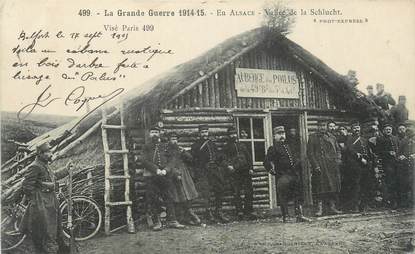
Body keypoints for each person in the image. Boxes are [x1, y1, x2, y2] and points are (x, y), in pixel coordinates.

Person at [19, 142, 71, 254]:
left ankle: (56, 249)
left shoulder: (45, 165)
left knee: (55, 228)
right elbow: (27, 186)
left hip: (51, 201)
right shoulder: (35, 166)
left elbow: (54, 176)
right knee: (45, 231)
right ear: (40, 153)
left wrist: (66, 170)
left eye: (50, 151)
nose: (51, 154)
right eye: (48, 152)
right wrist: (37, 199)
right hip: (41, 203)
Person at [140, 126, 185, 230]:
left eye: (156, 132)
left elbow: (172, 159)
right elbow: (143, 160)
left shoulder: (165, 146)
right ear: (149, 134)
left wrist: (166, 170)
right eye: (152, 132)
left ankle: (172, 221)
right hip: (152, 176)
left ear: (159, 133)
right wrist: (156, 169)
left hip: (165, 175)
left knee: (169, 196)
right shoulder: (146, 146)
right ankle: (157, 222)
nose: (154, 134)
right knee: (153, 198)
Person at [264, 126, 311, 223]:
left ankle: (299, 215)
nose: (282, 136)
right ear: (274, 136)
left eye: (283, 134)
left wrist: (297, 164)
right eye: (279, 134)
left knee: (297, 195)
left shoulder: (288, 147)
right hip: (283, 175)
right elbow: (266, 162)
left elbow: (294, 159)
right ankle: (286, 217)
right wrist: (272, 171)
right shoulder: (273, 148)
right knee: (283, 196)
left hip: (293, 174)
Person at [191, 124, 229, 223]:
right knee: (206, 192)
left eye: (206, 132)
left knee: (219, 188)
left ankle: (218, 211)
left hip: (214, 170)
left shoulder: (212, 144)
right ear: (199, 133)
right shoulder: (196, 145)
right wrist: (199, 171)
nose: (205, 134)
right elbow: (194, 160)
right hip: (203, 171)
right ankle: (208, 213)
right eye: (203, 132)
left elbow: (217, 156)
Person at [165, 132, 201, 225]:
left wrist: (184, 152)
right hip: (174, 174)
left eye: (176, 139)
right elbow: (168, 164)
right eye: (173, 139)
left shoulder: (179, 149)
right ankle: (181, 217)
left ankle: (188, 216)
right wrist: (176, 173)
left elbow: (190, 159)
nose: (175, 141)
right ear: (169, 140)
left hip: (185, 173)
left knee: (188, 194)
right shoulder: (167, 151)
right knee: (178, 196)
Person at [307, 120, 342, 216]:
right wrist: (315, 165)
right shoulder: (313, 137)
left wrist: (338, 159)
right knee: (319, 187)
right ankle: (319, 209)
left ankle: (332, 207)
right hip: (320, 166)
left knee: (332, 186)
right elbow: (310, 153)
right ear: (317, 127)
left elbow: (338, 149)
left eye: (324, 125)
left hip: (331, 166)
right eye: (320, 126)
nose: (322, 127)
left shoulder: (332, 137)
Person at [223, 127, 256, 220]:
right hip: (235, 173)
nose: (233, 136)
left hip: (245, 171)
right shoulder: (226, 147)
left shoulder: (242, 145)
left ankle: (248, 211)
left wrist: (251, 168)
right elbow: (223, 159)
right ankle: (239, 212)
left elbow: (249, 157)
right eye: (231, 134)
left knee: (249, 191)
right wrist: (228, 166)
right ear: (228, 136)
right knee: (236, 192)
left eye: (234, 134)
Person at [342, 121, 374, 213]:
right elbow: (350, 150)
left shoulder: (364, 139)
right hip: (355, 165)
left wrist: (369, 161)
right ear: (352, 130)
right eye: (355, 128)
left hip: (365, 165)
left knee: (365, 185)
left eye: (358, 128)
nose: (356, 129)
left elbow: (368, 151)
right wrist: (360, 158)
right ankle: (355, 206)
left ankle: (364, 205)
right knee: (356, 186)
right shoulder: (349, 139)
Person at [376, 123, 400, 209]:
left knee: (396, 181)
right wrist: (388, 153)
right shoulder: (381, 139)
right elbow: (378, 151)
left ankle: (397, 201)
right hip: (387, 163)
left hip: (396, 163)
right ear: (383, 131)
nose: (388, 131)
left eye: (390, 129)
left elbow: (399, 148)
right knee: (389, 182)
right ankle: (390, 201)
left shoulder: (395, 138)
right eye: (386, 129)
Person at [397, 129, 415, 207]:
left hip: (413, 165)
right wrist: (401, 156)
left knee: (412, 184)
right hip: (404, 165)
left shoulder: (413, 142)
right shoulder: (403, 142)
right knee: (404, 183)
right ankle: (404, 202)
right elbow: (398, 154)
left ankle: (412, 201)